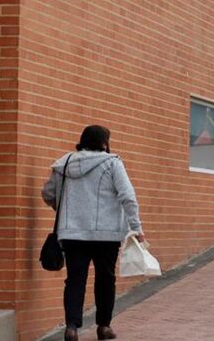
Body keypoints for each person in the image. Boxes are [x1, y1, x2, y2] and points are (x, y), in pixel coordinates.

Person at [41, 125, 143, 341]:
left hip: (72, 234)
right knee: (105, 279)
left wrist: (65, 209)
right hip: (106, 235)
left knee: (75, 279)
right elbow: (128, 196)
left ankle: (71, 327)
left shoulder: (65, 163)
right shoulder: (112, 163)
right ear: (104, 143)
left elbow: (48, 193)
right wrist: (136, 227)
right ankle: (104, 326)